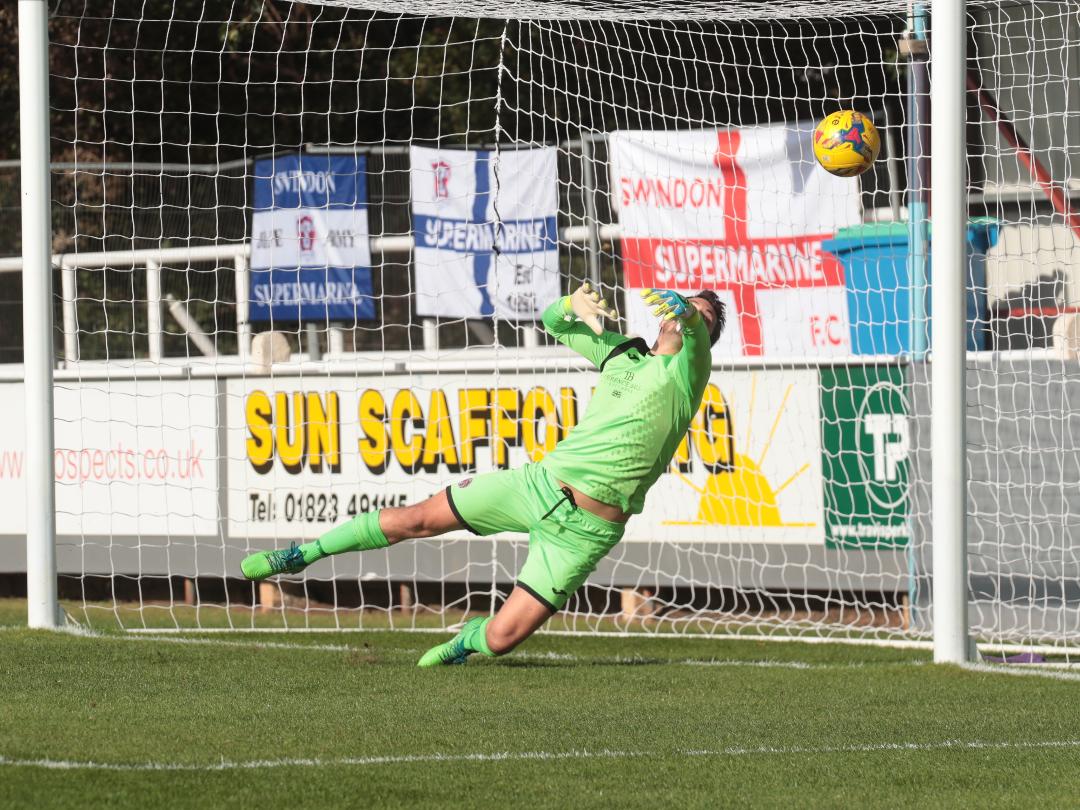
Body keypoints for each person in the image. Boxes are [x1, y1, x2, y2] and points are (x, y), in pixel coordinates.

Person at [240, 283, 725, 666]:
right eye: (685, 307)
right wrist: (569, 303)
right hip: (536, 486)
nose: (686, 315)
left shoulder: (687, 376)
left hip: (584, 534)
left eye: (699, 315)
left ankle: (467, 639)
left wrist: (689, 312)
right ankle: (302, 554)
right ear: (660, 317)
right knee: (416, 519)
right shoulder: (622, 353)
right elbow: (554, 322)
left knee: (500, 638)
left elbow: (698, 339)